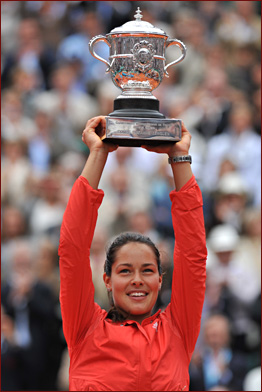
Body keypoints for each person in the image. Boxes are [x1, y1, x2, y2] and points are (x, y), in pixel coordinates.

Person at [58, 116, 207, 391]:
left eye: (147, 270)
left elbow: (193, 253)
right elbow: (72, 250)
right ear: (106, 279)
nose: (137, 280)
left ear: (160, 280)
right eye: (125, 270)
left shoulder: (178, 330)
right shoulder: (84, 327)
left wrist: (179, 157)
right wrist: (98, 154)